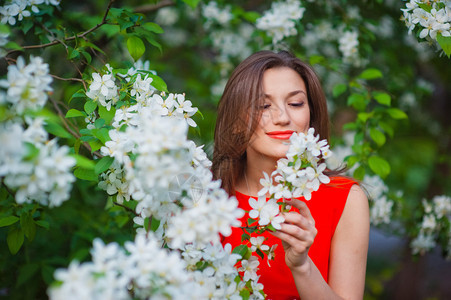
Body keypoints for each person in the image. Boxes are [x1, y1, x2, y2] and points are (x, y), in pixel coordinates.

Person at [213, 50, 369, 300]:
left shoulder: (345, 198)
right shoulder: (203, 195)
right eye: (263, 106)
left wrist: (302, 267)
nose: (283, 118)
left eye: (295, 104)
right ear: (237, 120)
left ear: (311, 116)